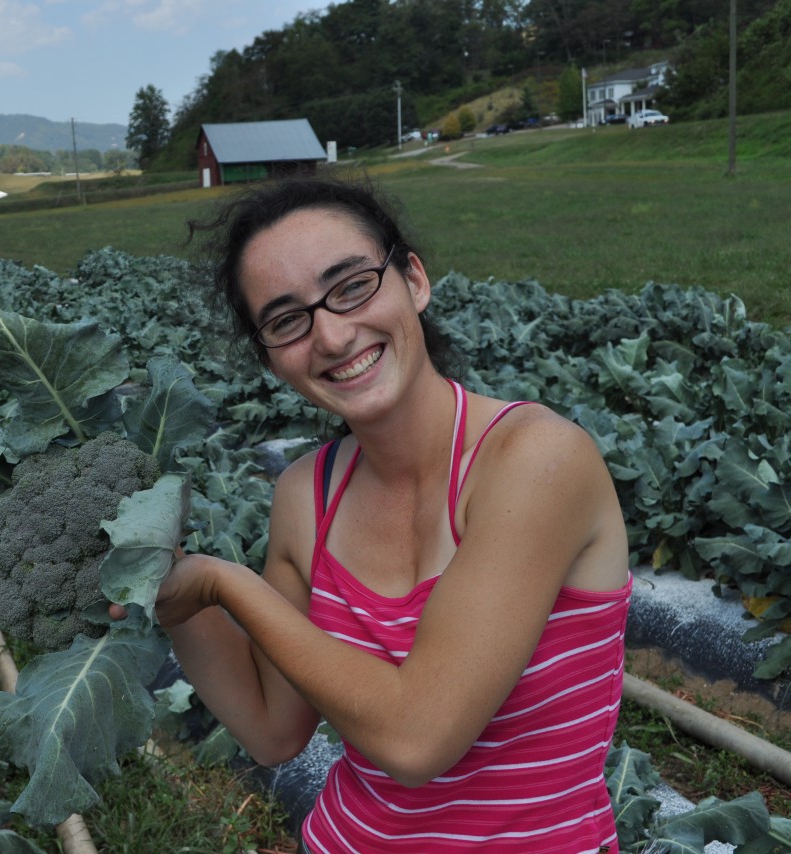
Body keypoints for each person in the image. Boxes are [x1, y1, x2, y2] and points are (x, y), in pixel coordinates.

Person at [153, 175, 632, 852]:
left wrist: (224, 584)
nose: (332, 334)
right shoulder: (304, 495)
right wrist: (164, 587)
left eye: (352, 286)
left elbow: (417, 738)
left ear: (413, 280)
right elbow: (271, 728)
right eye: (287, 320)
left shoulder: (536, 461)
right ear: (271, 359)